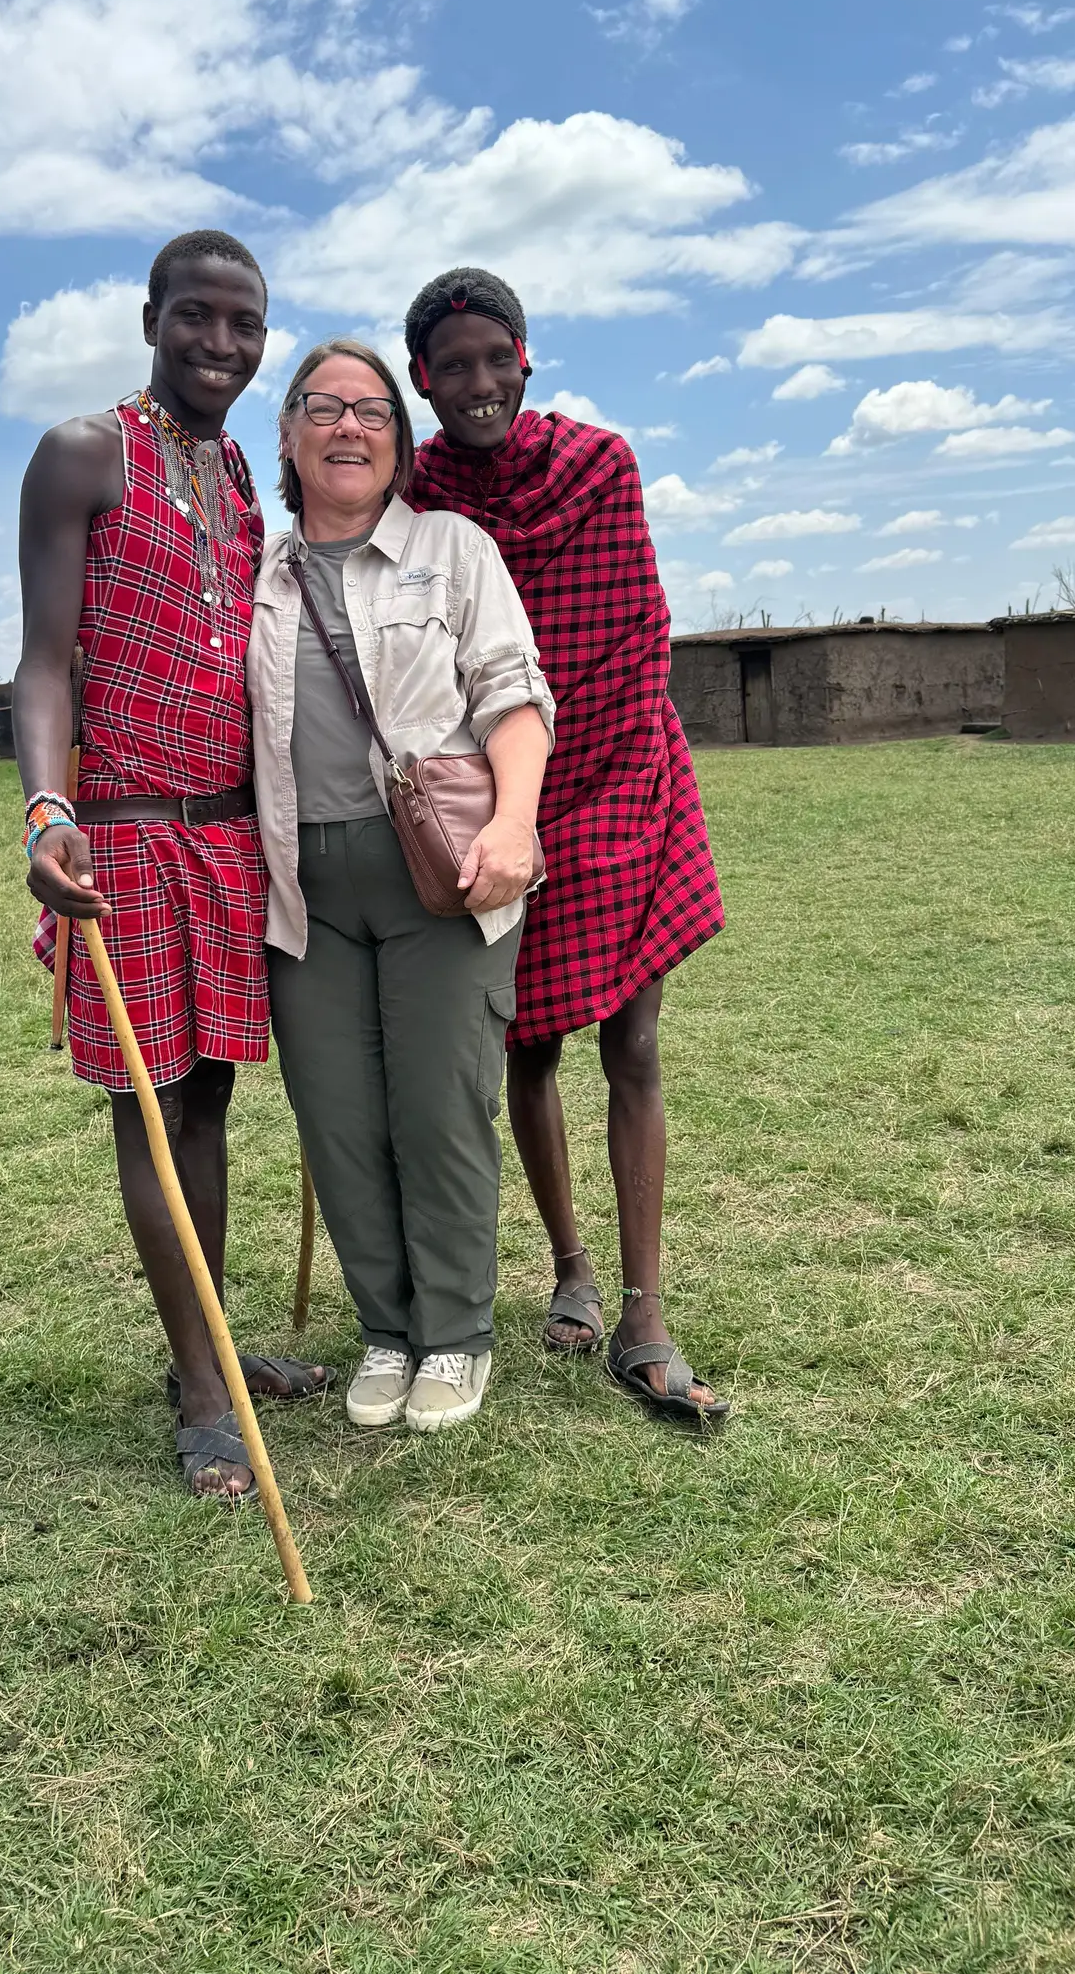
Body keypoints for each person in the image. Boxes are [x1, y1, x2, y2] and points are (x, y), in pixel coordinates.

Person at [14, 228, 329, 1506]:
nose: (222, 345)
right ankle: (203, 1392)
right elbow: (43, 662)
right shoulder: (83, 454)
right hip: (128, 835)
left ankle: (207, 1339)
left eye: (245, 326)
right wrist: (45, 811)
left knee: (208, 1102)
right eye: (197, 317)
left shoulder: (244, 472)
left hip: (230, 839)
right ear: (151, 317)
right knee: (149, 1109)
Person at [404, 267, 730, 1426]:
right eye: (454, 366)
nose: (478, 383)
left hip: (621, 781)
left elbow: (639, 632)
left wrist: (570, 799)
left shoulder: (600, 467)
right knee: (527, 1046)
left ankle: (644, 1308)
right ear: (423, 381)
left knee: (632, 1043)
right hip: (497, 806)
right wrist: (505, 812)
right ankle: (572, 1271)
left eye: (497, 358)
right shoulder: (417, 495)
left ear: (527, 358)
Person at [247, 339, 554, 1433]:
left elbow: (513, 696)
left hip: (442, 876)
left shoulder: (451, 550)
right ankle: (386, 1328)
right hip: (302, 891)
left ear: (399, 437)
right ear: (285, 435)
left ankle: (456, 1335)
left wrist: (515, 825)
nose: (347, 427)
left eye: (372, 411)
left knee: (437, 1113)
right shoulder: (253, 575)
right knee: (337, 1118)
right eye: (322, 408)